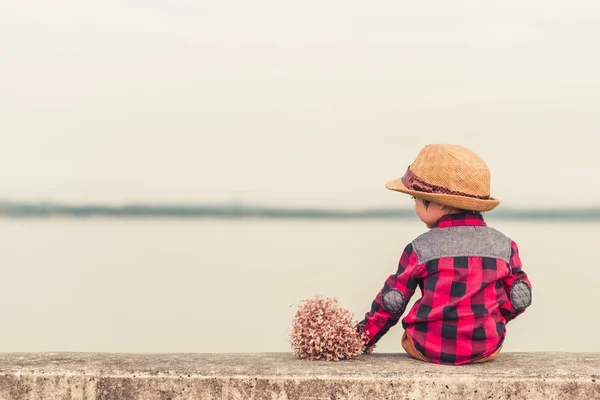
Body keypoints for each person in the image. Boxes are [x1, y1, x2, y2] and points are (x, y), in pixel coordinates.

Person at [356, 144, 532, 365]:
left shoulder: (420, 248)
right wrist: (493, 317)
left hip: (426, 348)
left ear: (437, 203)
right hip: (486, 349)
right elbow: (520, 297)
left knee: (410, 329)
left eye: (416, 199)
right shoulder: (505, 247)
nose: (415, 206)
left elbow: (392, 302)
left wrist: (361, 339)